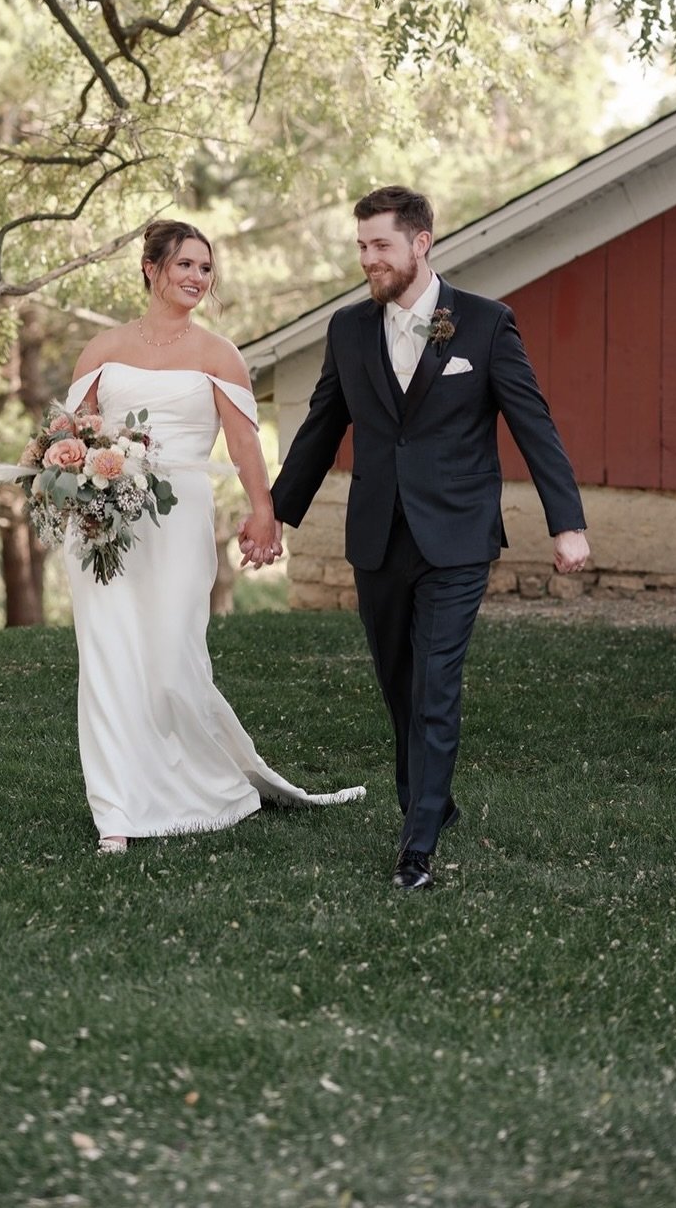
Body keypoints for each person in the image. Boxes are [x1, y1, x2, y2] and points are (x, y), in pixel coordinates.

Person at [240, 186, 589, 892]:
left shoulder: (486, 325)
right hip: (377, 535)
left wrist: (568, 521)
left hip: (457, 537)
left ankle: (416, 847)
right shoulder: (347, 330)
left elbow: (534, 426)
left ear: (421, 243)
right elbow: (320, 428)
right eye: (362, 245)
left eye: (381, 246)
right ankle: (436, 799)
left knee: (434, 685)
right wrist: (274, 512)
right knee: (398, 684)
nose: (368, 258)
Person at [65, 219, 363, 853]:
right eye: (185, 266)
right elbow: (74, 434)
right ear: (151, 268)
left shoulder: (218, 353)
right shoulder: (101, 349)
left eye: (205, 268)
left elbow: (243, 440)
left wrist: (265, 511)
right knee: (109, 656)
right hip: (102, 524)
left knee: (173, 660)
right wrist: (75, 473)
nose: (198, 278)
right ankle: (116, 812)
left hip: (177, 518)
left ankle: (207, 786)